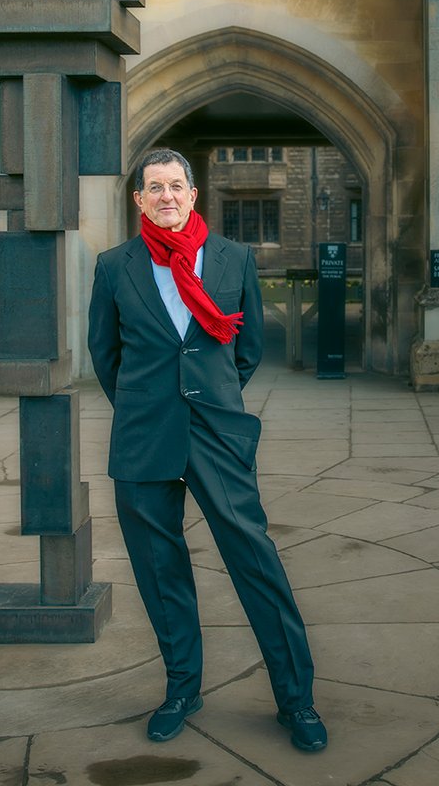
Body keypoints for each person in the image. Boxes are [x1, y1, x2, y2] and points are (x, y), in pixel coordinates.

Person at [87, 147, 327, 751]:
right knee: (159, 569)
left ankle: (296, 700)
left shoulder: (232, 258)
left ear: (193, 195)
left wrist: (209, 398)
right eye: (154, 187)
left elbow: (248, 351)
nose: (166, 196)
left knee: (255, 558)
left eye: (176, 185)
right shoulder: (114, 266)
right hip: (144, 436)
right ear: (139, 200)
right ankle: (181, 689)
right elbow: (105, 355)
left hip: (216, 431)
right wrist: (147, 405)